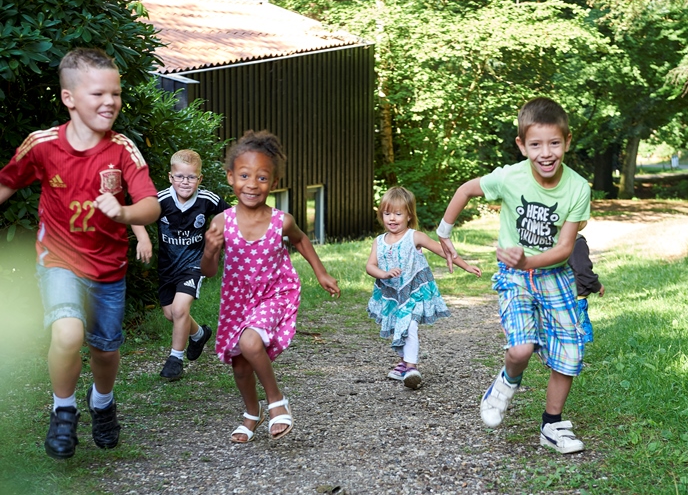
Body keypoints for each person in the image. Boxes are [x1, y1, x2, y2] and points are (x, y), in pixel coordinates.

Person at [0, 48, 160, 459]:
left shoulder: (122, 149)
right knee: (67, 333)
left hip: (108, 267)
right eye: (98, 94)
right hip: (58, 258)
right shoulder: (43, 145)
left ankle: (102, 404)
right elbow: (7, 183)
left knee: (105, 349)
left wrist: (124, 212)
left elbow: (151, 205)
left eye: (116, 93)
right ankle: (64, 410)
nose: (110, 102)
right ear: (69, 98)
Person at [437, 97, 591, 454]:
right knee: (520, 348)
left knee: (568, 352)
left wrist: (530, 261)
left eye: (554, 143)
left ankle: (552, 425)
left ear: (567, 142)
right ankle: (507, 381)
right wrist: (444, 232)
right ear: (522, 145)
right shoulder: (510, 177)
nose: (546, 153)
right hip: (515, 277)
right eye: (536, 144)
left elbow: (566, 247)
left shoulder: (578, 188)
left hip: (555, 278)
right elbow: (465, 190)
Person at [201, 130, 340, 443]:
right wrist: (210, 250)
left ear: (274, 183)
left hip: (275, 294)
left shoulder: (281, 221)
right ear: (230, 177)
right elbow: (208, 271)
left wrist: (322, 273)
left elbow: (301, 240)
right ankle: (252, 413)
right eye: (245, 175)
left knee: (251, 344)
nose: (252, 184)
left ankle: (277, 403)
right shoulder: (221, 222)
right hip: (237, 301)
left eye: (262, 178)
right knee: (239, 366)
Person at [366, 187, 481, 389]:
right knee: (397, 327)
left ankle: (411, 367)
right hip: (392, 295)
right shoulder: (379, 242)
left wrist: (466, 266)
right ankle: (403, 362)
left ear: (409, 215)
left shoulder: (414, 236)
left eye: (398, 214)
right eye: (387, 213)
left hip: (413, 292)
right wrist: (383, 274)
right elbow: (370, 266)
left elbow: (442, 250)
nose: (392, 218)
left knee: (410, 325)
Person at [132, 149, 228, 381]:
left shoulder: (208, 200)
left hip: (194, 264)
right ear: (170, 177)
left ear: (199, 179)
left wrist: (219, 238)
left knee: (179, 309)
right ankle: (199, 334)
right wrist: (143, 239)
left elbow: (231, 216)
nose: (185, 182)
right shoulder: (161, 199)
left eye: (191, 177)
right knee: (170, 314)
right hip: (167, 267)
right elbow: (136, 215)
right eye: (180, 177)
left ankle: (175, 360)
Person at [568, 221, 605, 344]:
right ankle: (585, 350)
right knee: (582, 325)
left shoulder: (554, 241)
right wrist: (597, 285)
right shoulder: (577, 242)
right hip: (576, 296)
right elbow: (582, 269)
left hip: (558, 293)